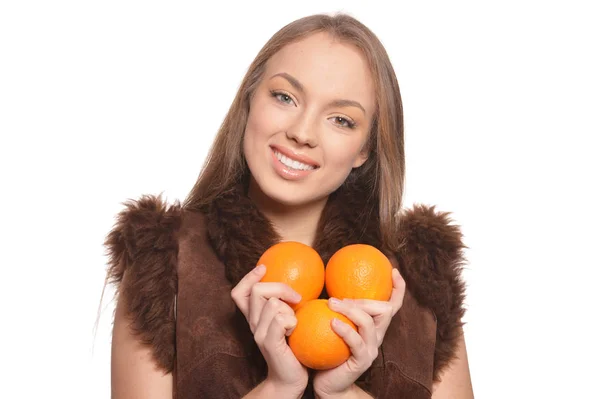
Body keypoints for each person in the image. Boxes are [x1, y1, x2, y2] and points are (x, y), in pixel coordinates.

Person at [104, 13, 473, 399]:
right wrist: (280, 388)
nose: (301, 132)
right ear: (250, 98)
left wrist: (340, 392)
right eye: (285, 97)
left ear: (365, 148)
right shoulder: (165, 262)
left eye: (341, 119)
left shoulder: (420, 277)